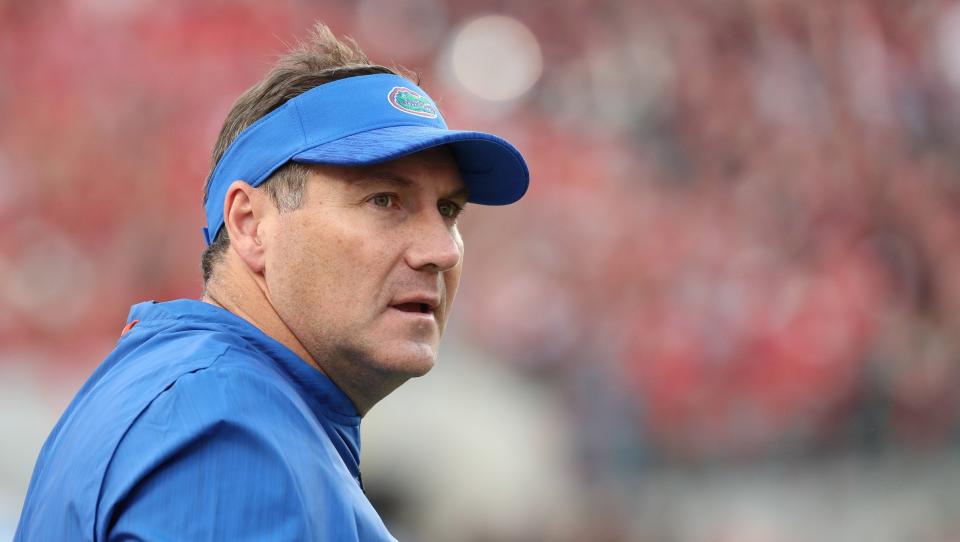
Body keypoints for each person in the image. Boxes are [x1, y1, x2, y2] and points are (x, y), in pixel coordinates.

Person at [14, 22, 528, 541]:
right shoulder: (227, 428)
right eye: (384, 200)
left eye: (449, 209)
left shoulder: (204, 398)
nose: (441, 250)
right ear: (250, 224)